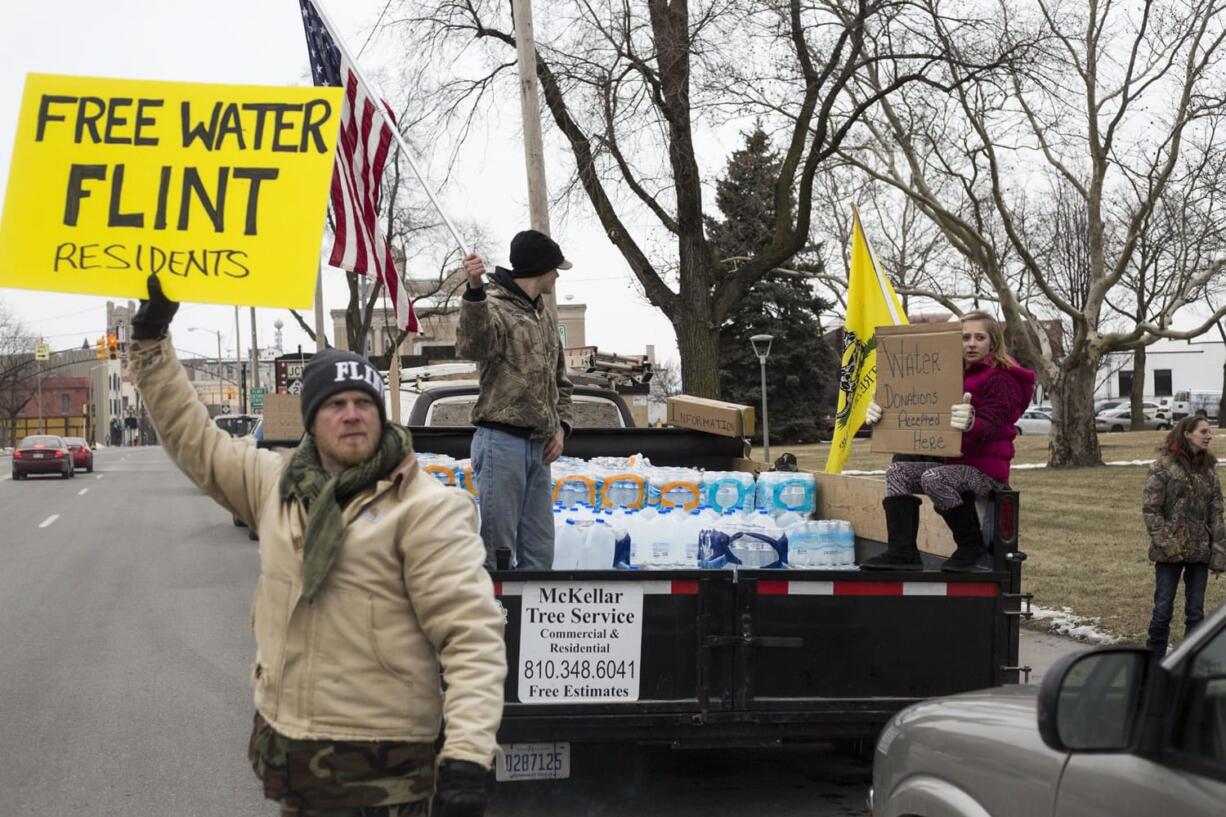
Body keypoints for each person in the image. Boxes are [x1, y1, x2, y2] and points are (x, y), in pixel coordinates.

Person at [127, 275, 507, 817]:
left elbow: (472, 639)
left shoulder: (425, 509)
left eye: (363, 402)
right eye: (335, 404)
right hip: (295, 765)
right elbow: (194, 439)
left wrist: (468, 759)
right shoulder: (274, 485)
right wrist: (152, 340)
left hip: (386, 776)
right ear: (310, 420)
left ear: (380, 413)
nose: (351, 413)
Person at [861, 311, 1036, 572]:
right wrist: (882, 415)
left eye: (980, 337)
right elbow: (917, 410)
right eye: (965, 337)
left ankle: (970, 545)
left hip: (986, 471)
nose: (971, 343)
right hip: (952, 462)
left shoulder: (1002, 379)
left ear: (993, 341)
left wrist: (971, 423)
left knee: (935, 477)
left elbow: (993, 427)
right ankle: (902, 553)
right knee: (897, 472)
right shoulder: (947, 374)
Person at [456, 230, 575, 570]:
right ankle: (497, 621)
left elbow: (561, 383)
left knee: (540, 553)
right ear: (541, 268)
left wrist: (561, 427)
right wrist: (475, 290)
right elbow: (473, 346)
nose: (557, 275)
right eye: (555, 269)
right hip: (501, 443)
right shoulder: (491, 307)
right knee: (498, 552)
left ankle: (531, 621)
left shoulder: (545, 318)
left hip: (541, 448)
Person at [1142, 416, 1226, 655]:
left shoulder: (1209, 471)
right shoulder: (1162, 467)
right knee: (1162, 610)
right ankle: (1153, 663)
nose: (1209, 436)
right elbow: (1151, 510)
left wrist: (1219, 553)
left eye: (1210, 431)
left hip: (1199, 552)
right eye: (1204, 431)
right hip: (1170, 553)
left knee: (1196, 613)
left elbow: (1216, 513)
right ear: (1187, 434)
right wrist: (1168, 544)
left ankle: (1191, 663)